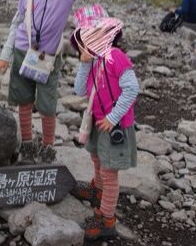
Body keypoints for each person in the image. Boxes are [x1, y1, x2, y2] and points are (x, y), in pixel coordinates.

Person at [0, 0, 101, 164]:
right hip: (22, 52)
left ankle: (48, 148)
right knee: (24, 101)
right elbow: (16, 26)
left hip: (48, 57)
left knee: (47, 105)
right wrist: (4, 57)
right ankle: (27, 145)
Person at [70, 17, 139, 241]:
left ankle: (107, 219)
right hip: (99, 122)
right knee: (97, 158)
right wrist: (84, 64)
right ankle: (97, 190)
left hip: (114, 124)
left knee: (109, 172)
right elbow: (80, 90)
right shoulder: (94, 61)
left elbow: (131, 88)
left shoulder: (116, 57)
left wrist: (112, 117)